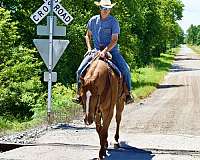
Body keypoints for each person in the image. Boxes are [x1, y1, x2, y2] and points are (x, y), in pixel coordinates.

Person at [73, 0, 134, 104]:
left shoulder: (113, 22)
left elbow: (114, 40)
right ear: (100, 8)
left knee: (126, 69)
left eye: (107, 8)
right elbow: (87, 35)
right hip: (95, 51)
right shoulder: (93, 20)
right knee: (79, 71)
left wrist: (105, 51)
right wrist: (89, 49)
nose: (105, 10)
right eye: (103, 8)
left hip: (112, 51)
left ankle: (128, 93)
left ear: (110, 9)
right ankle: (79, 94)